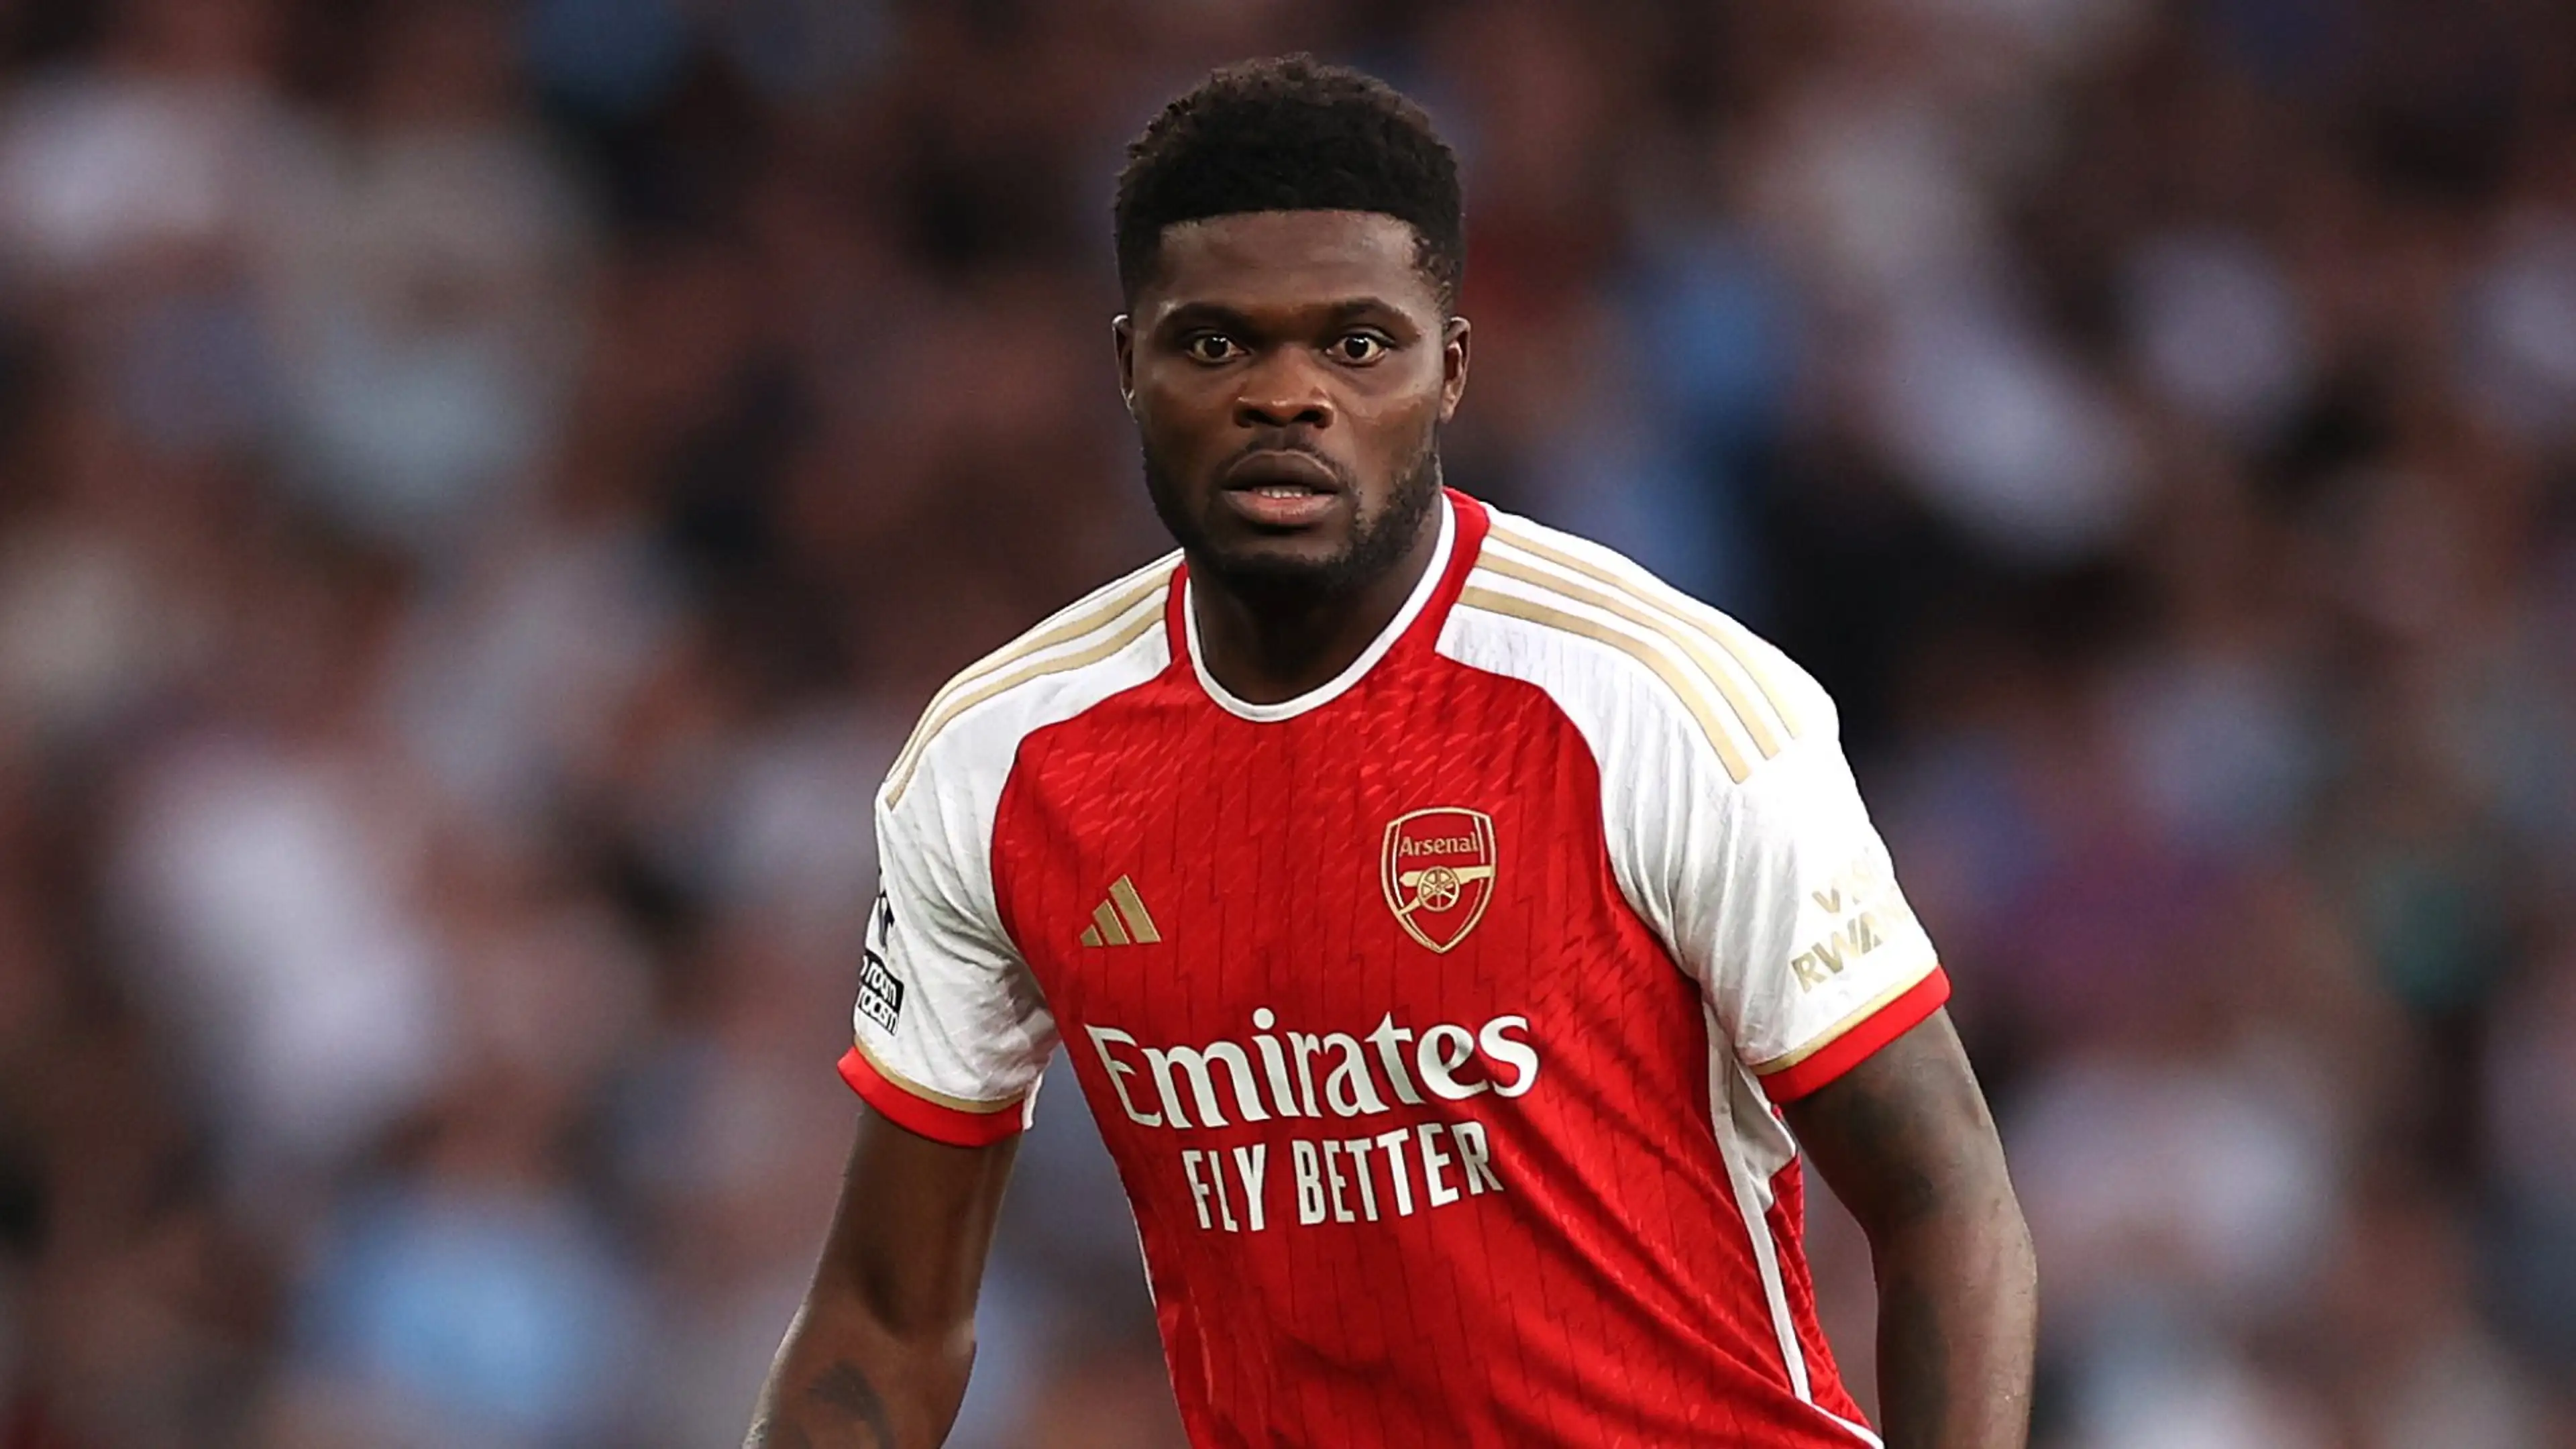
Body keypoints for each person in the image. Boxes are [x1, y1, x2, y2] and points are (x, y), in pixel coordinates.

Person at [748, 55, 2037, 1449]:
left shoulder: (1656, 700)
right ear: (1128, 366)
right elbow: (886, 1324)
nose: (1285, 396)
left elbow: (1947, 1200)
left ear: (1452, 370)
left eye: (1357, 345)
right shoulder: (998, 764)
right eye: (1216, 345)